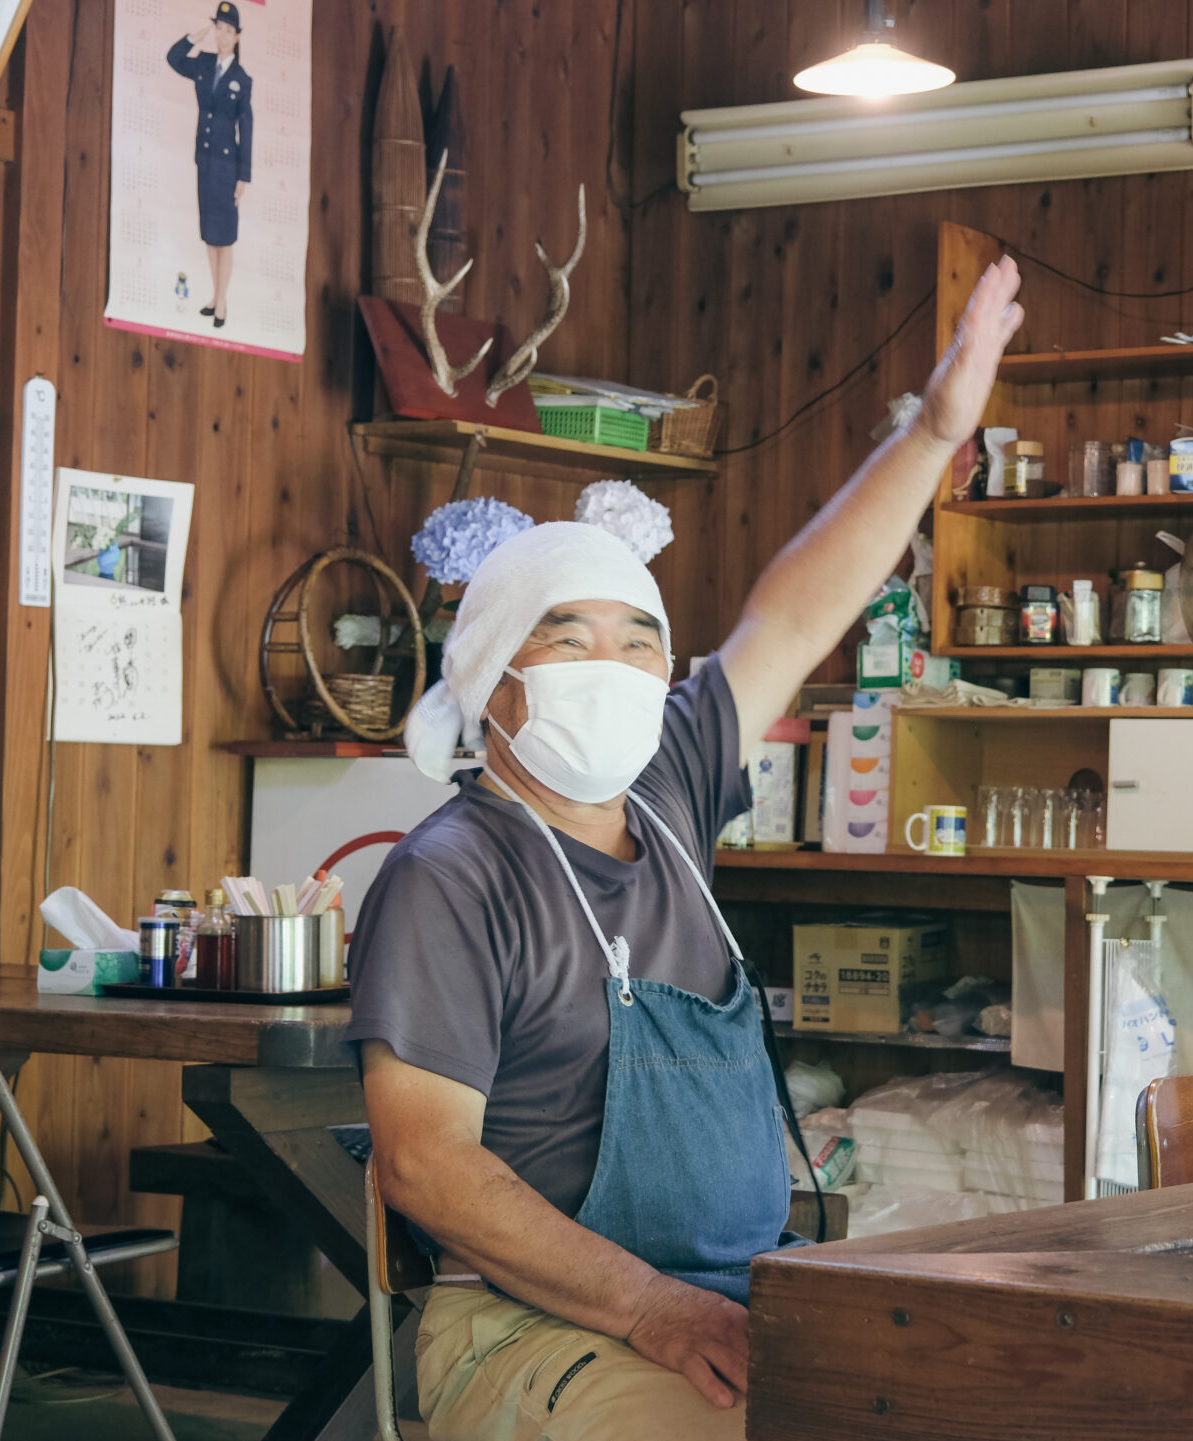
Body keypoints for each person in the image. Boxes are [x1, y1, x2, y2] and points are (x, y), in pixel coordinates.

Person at [349, 258, 1024, 1441]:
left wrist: (930, 433)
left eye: (638, 642)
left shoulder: (666, 787)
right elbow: (424, 1166)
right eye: (570, 640)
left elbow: (796, 613)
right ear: (490, 677)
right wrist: (649, 1307)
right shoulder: (449, 876)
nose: (612, 670)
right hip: (530, 1324)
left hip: (742, 1298)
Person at [165, 2, 253, 329]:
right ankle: (215, 297)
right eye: (219, 28)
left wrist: (244, 175)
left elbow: (248, 127)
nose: (223, 35)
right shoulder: (203, 64)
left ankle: (222, 301)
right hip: (204, 160)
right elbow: (173, 59)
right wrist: (193, 37)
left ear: (238, 36)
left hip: (228, 167)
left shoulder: (241, 80)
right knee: (210, 233)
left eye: (229, 31)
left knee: (225, 236)